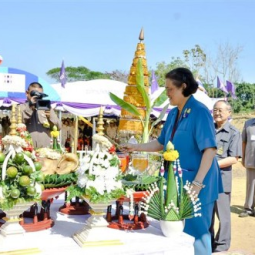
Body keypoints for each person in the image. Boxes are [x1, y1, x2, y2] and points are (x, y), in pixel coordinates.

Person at [120, 67, 223, 255]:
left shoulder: (200, 112)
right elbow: (161, 143)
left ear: (183, 87)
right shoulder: (174, 113)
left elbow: (210, 150)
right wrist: (136, 147)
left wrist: (198, 184)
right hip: (177, 184)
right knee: (178, 234)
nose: (166, 93)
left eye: (170, 89)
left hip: (198, 184)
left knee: (197, 234)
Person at [210, 100, 241, 252]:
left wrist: (210, 165)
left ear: (229, 113)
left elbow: (234, 158)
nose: (217, 112)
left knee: (223, 215)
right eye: (215, 109)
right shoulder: (207, 129)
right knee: (206, 213)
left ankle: (222, 244)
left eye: (220, 110)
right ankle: (207, 242)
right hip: (204, 180)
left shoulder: (234, 133)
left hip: (221, 179)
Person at [20, 82, 61, 148]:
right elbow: (17, 124)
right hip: (27, 149)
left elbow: (58, 127)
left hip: (45, 149)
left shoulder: (46, 107)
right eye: (34, 94)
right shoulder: (20, 108)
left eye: (40, 95)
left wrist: (50, 118)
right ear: (27, 93)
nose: (37, 97)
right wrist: (30, 107)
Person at [239, 114, 255, 218]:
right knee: (251, 185)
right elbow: (243, 142)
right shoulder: (248, 124)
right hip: (251, 160)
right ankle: (248, 208)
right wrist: (243, 157)